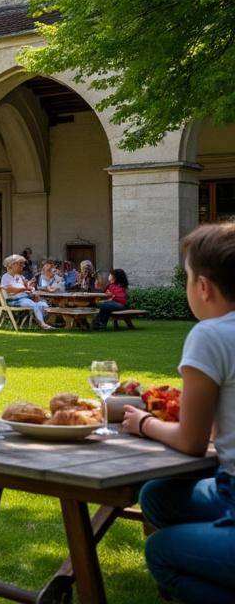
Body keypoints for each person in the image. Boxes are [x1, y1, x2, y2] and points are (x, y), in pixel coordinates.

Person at [120, 222, 235, 602]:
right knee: (156, 494)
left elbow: (191, 441)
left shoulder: (211, 334)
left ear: (203, 286)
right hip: (224, 485)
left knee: (161, 552)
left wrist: (144, 423)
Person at [0, 254, 55, 330]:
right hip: (14, 300)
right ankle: (42, 324)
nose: (23, 266)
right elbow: (9, 289)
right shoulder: (6, 277)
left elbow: (27, 286)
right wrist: (23, 289)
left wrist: (30, 286)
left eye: (23, 264)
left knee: (43, 304)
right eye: (20, 264)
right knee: (34, 305)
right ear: (12, 265)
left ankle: (41, 323)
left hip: (25, 299)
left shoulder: (20, 276)